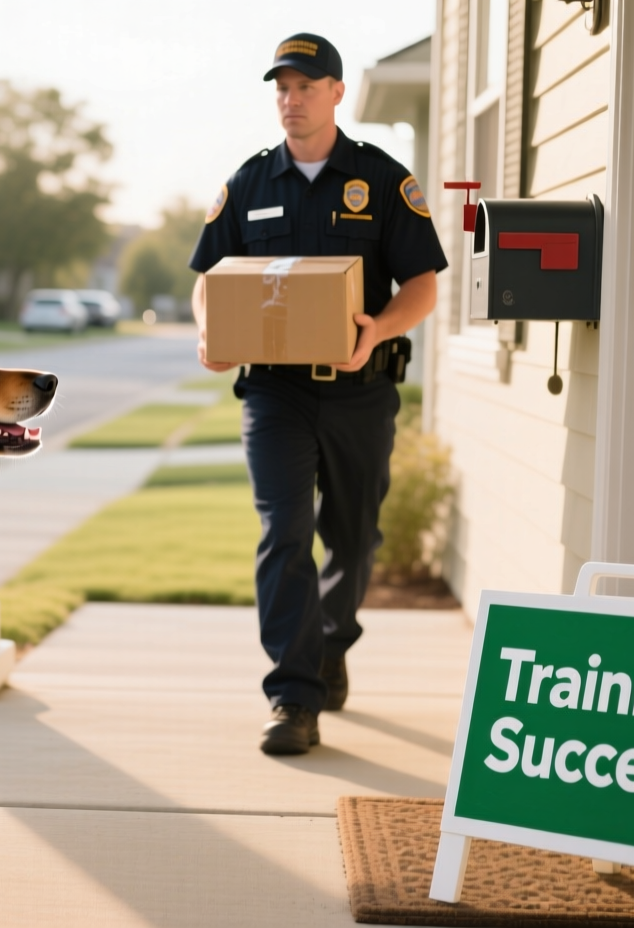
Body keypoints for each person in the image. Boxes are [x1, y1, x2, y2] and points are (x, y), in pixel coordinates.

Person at [189, 34, 447, 755]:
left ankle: (332, 641)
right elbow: (209, 278)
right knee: (285, 532)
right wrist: (210, 336)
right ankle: (293, 697)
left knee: (356, 537)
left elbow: (422, 283)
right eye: (282, 87)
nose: (291, 99)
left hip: (361, 389)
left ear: (336, 92)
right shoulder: (248, 183)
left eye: (305, 86)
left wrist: (377, 330)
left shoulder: (383, 181)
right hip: (274, 395)